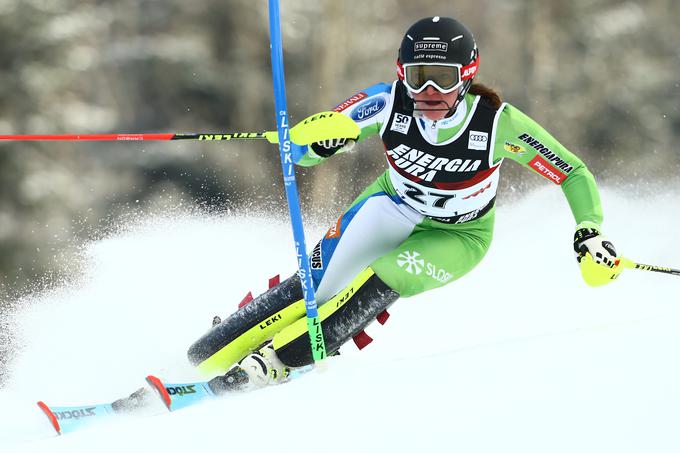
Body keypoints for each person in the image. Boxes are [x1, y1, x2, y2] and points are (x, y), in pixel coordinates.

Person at [190, 16, 619, 393]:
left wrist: (589, 229)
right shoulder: (386, 100)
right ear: (402, 74)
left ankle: (279, 362)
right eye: (418, 77)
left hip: (458, 234)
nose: (429, 90)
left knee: (381, 279)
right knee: (317, 284)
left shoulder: (496, 123)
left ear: (466, 77)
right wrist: (318, 144)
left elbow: (572, 172)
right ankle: (212, 349)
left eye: (443, 78)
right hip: (391, 204)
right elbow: (306, 147)